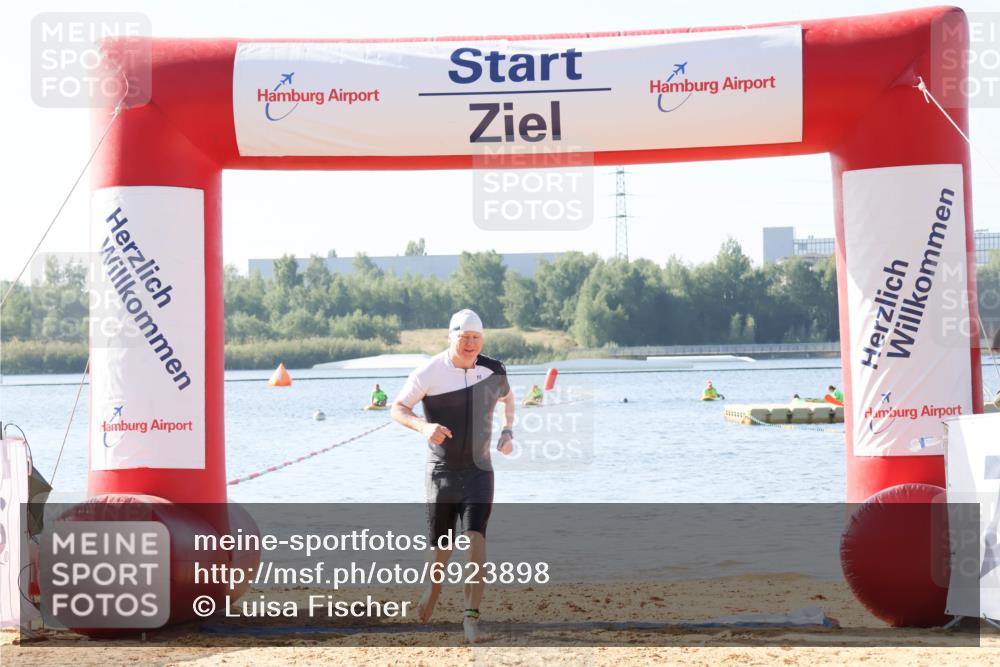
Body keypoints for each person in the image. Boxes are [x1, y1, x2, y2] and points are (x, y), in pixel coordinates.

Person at [390, 308, 516, 643]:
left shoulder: (494, 369)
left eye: (477, 338)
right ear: (451, 337)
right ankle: (433, 588)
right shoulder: (430, 371)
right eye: (465, 338)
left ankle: (471, 616)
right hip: (442, 472)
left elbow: (509, 398)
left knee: (475, 537)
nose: (471, 344)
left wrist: (508, 432)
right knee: (441, 547)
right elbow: (398, 408)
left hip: (479, 470)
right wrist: (423, 426)